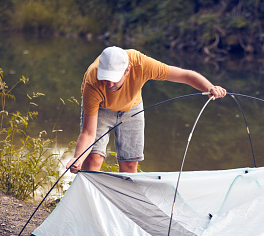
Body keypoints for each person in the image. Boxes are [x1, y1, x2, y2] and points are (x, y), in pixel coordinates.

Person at [66, 46, 227, 174]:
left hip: (132, 108)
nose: (108, 84)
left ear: (127, 70)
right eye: (105, 78)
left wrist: (210, 87)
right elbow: (88, 132)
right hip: (102, 109)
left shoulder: (141, 64)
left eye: (113, 79)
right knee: (92, 160)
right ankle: (90, 208)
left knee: (129, 164)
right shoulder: (92, 81)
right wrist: (77, 159)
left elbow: (185, 75)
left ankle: (125, 209)